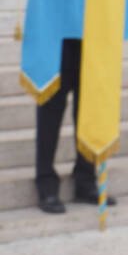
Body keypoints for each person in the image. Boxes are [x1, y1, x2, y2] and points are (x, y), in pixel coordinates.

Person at [33, 39, 115, 214]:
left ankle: (86, 179)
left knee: (90, 106)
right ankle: (46, 182)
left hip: (91, 36)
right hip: (56, 37)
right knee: (50, 106)